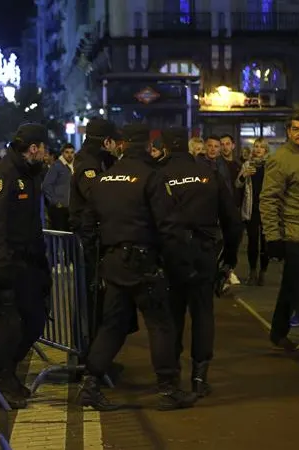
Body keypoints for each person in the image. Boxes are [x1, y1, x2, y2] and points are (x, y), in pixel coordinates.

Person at [77, 124, 198, 412]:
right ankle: (168, 389)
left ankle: (90, 384)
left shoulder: (105, 180)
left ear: (122, 145)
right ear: (148, 146)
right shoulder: (152, 178)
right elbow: (168, 227)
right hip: (144, 263)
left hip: (113, 261)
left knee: (113, 325)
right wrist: (180, 265)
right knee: (161, 325)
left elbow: (86, 223)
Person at [158, 127, 242, 397]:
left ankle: (170, 378)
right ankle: (199, 377)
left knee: (171, 316)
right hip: (204, 252)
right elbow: (232, 222)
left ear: (166, 148)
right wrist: (229, 258)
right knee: (203, 313)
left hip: (170, 254)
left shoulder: (159, 176)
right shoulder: (210, 175)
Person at [0, 123, 52, 409]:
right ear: (33, 148)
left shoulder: (30, 174)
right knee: (9, 324)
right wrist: (1, 265)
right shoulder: (3, 175)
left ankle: (8, 370)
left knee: (35, 320)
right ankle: (4, 378)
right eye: (44, 148)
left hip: (30, 262)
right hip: (9, 263)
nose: (46, 154)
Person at [259, 110, 299, 353]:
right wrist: (273, 237)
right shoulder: (281, 159)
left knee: (292, 285)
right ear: (289, 131)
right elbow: (268, 200)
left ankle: (278, 332)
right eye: (296, 129)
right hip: (293, 233)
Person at [69, 118, 122, 339]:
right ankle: (87, 357)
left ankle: (95, 355)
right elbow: (96, 195)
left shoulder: (100, 160)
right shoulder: (88, 163)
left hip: (97, 238)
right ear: (106, 141)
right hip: (88, 240)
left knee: (99, 300)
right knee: (89, 300)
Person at [236, 138, 269, 285]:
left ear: (266, 150)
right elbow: (237, 183)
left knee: (266, 243)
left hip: (267, 209)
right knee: (253, 242)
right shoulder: (247, 164)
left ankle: (263, 272)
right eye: (256, 146)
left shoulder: (271, 166)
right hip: (251, 209)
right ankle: (253, 271)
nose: (258, 149)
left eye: (261, 147)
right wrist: (244, 175)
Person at [42, 143, 75, 231]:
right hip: (59, 209)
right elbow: (46, 185)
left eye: (72, 152)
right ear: (62, 153)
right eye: (67, 152)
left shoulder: (74, 166)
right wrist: (56, 201)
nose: (69, 155)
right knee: (60, 235)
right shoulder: (56, 166)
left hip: (71, 208)